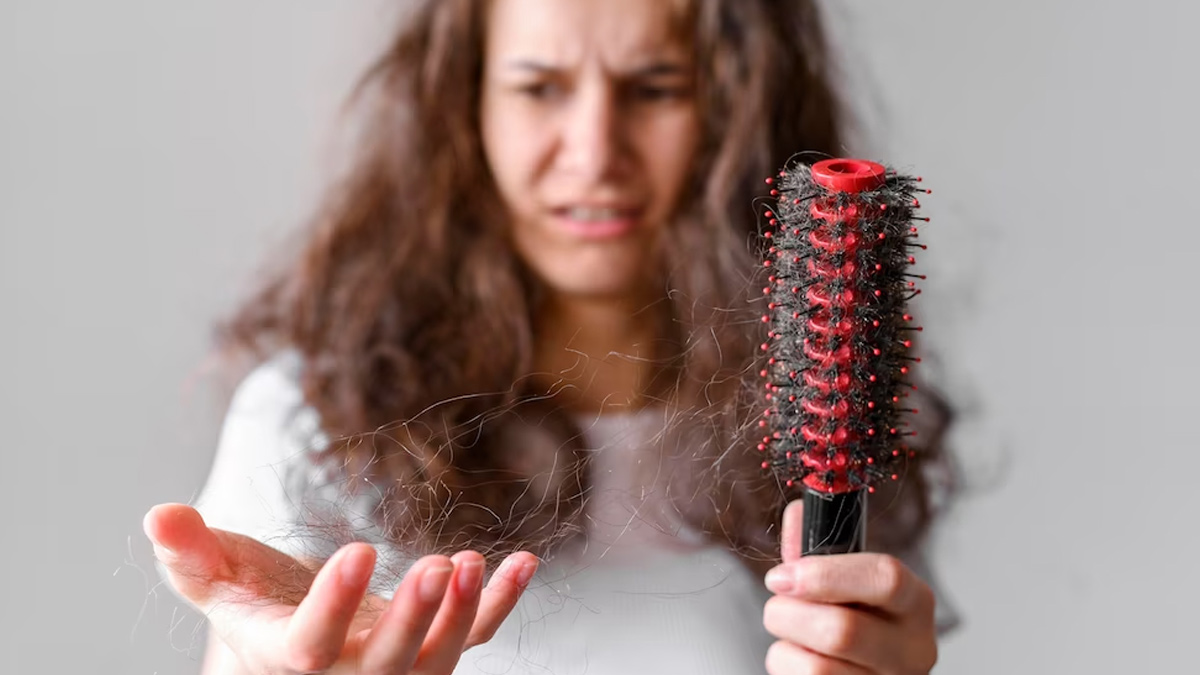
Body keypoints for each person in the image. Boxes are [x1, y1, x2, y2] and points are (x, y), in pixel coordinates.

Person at [144, 0, 957, 673]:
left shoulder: (833, 420)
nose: (595, 152)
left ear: (735, 110)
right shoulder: (311, 421)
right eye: (539, 88)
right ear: (467, 106)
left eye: (654, 88)